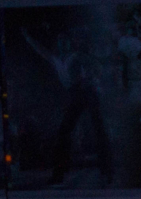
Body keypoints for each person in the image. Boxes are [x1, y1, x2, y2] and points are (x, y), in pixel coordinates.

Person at [22, 27, 113, 185]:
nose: (63, 43)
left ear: (69, 43)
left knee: (98, 129)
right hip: (75, 93)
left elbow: (98, 66)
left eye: (65, 40)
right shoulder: (56, 58)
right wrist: (28, 37)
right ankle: (59, 174)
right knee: (65, 132)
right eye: (60, 41)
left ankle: (106, 170)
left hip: (87, 92)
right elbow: (40, 50)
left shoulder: (76, 55)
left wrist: (91, 79)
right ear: (58, 43)